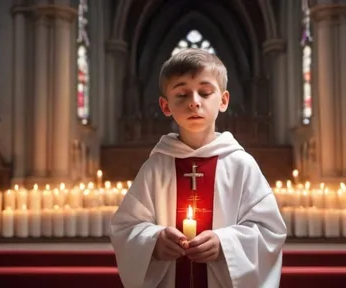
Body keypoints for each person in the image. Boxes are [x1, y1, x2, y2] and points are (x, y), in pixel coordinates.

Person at [110, 48, 287, 288]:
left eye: (204, 92)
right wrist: (155, 241)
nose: (194, 102)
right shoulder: (156, 167)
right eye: (182, 94)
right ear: (165, 106)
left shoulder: (240, 165)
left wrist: (224, 244)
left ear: (223, 100)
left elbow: (269, 231)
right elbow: (126, 228)